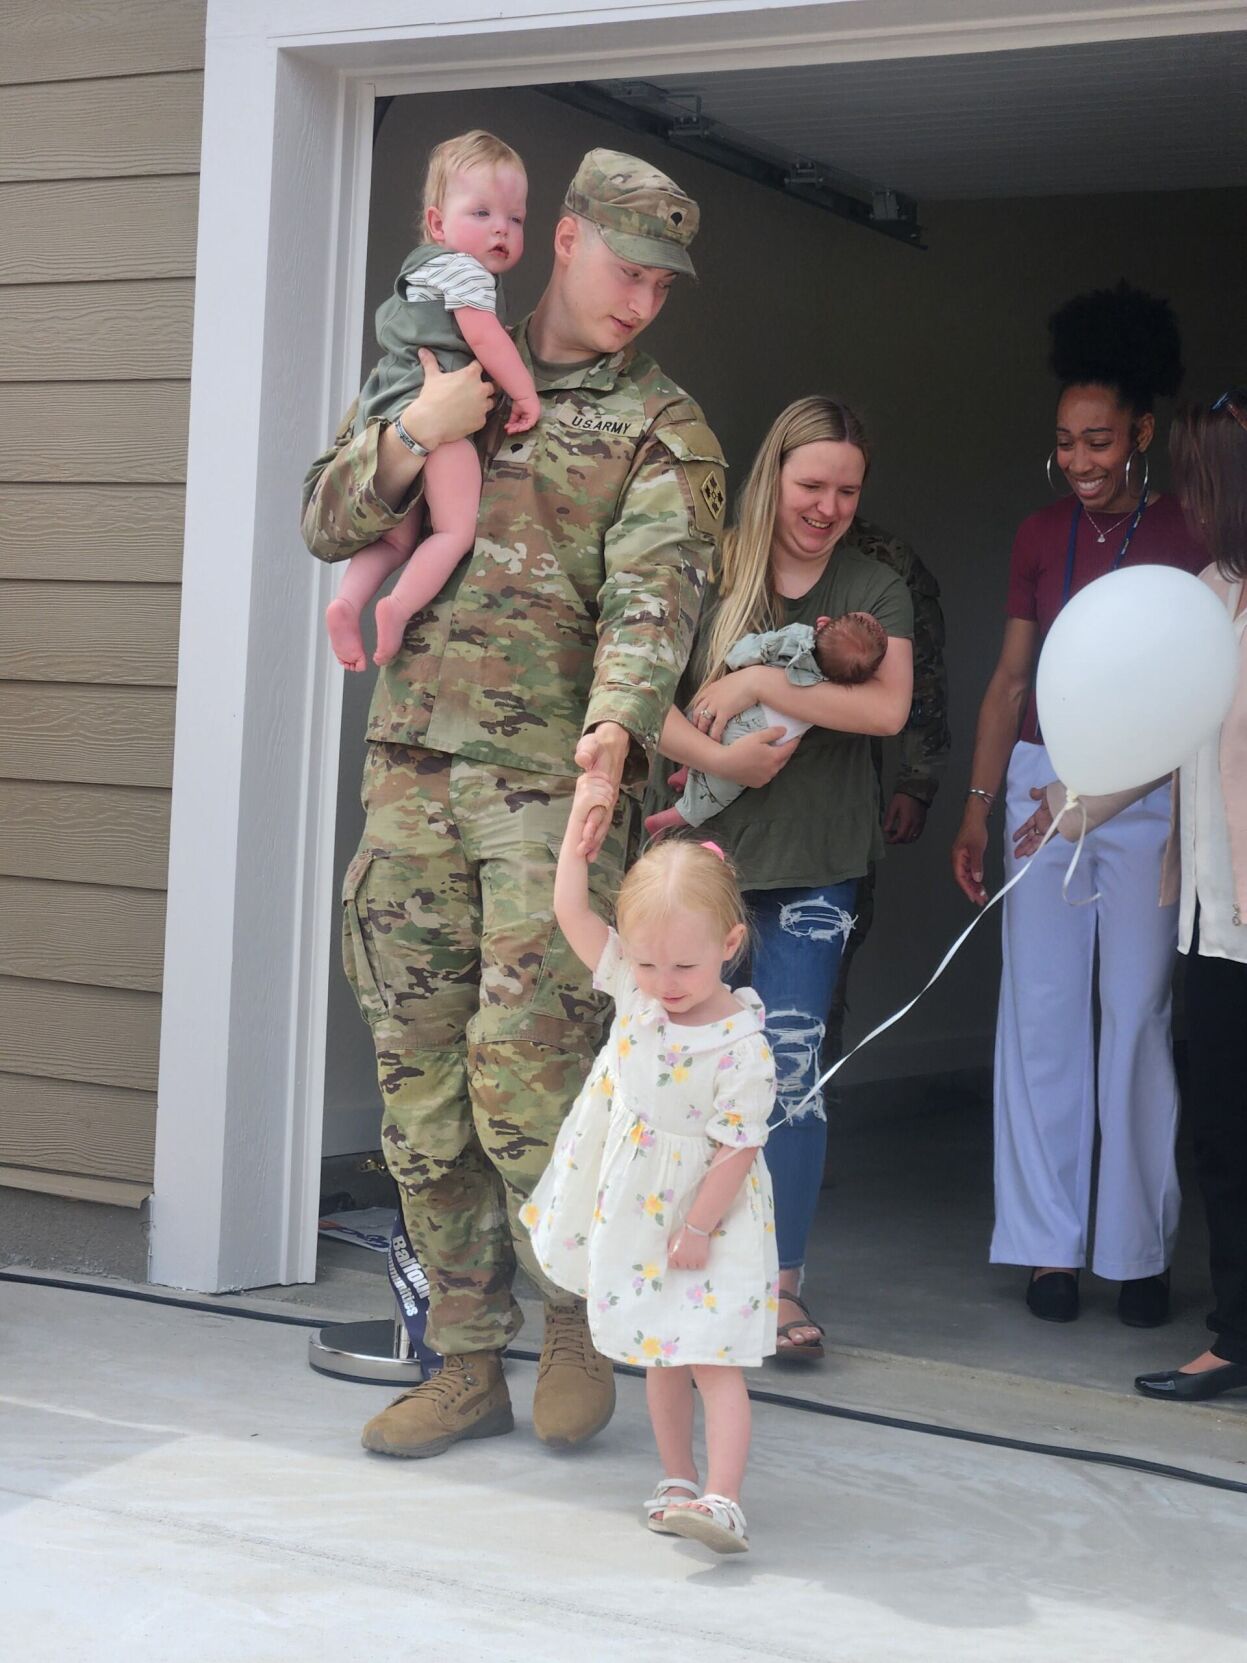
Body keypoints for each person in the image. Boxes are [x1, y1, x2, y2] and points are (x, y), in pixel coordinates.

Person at [301, 148, 727, 1458]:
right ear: (564, 242)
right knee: (418, 1085)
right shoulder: (438, 355)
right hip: (411, 783)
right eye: (626, 268)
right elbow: (327, 519)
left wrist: (613, 731)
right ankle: (463, 1356)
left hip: (551, 800)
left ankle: (570, 1325)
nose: (642, 299)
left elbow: (654, 599)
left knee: (530, 1083)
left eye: (664, 283)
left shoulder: (663, 426)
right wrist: (407, 438)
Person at [950, 282, 1207, 1327]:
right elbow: (1011, 680)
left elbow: (1198, 693)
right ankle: (1046, 1247)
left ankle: (1135, 1250)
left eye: (1097, 439)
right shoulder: (1035, 530)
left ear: (1140, 431)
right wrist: (976, 804)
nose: (1079, 459)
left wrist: (1119, 793)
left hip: (1144, 796)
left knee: (1137, 1019)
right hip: (1035, 792)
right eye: (1064, 441)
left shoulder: (1191, 531)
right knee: (1041, 1019)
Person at [652, 395, 914, 1360]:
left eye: (847, 489)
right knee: (680, 1077)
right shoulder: (710, 570)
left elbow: (885, 710)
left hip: (816, 868)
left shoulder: (872, 586)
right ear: (774, 475)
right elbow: (643, 698)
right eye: (811, 485)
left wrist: (761, 685)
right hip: (700, 870)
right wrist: (718, 762)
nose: (827, 506)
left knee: (790, 1078)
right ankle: (672, 1270)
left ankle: (777, 1285)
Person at [1015, 389, 1247, 1401]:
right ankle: (1233, 1335)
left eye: (1203, 479)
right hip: (1205, 901)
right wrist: (1075, 802)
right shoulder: (1205, 592)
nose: (1189, 499)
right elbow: (1168, 735)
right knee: (1223, 1128)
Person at [524, 786, 777, 1553]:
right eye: (647, 961)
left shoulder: (739, 1041)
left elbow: (738, 1145)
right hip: (639, 1204)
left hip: (710, 1213)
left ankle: (723, 1496)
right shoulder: (636, 992)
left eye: (684, 965)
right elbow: (573, 915)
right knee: (660, 1351)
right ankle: (675, 1476)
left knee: (711, 1354)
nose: (664, 980)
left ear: (729, 942)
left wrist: (698, 1224)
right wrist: (577, 840)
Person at [325, 131, 541, 671]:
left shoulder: (422, 271)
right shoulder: (463, 272)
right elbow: (486, 338)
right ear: (438, 223)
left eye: (515, 219)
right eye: (483, 212)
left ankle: (347, 602)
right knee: (452, 530)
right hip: (438, 424)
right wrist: (524, 391)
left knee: (396, 541)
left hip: (386, 416)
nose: (501, 228)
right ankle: (397, 608)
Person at [644, 610, 886, 834]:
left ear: (822, 623)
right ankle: (680, 815)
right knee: (722, 789)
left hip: (735, 709)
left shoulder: (796, 639)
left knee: (700, 725)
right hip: (763, 735)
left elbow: (756, 649)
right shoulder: (834, 692)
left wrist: (738, 660)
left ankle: (688, 769)